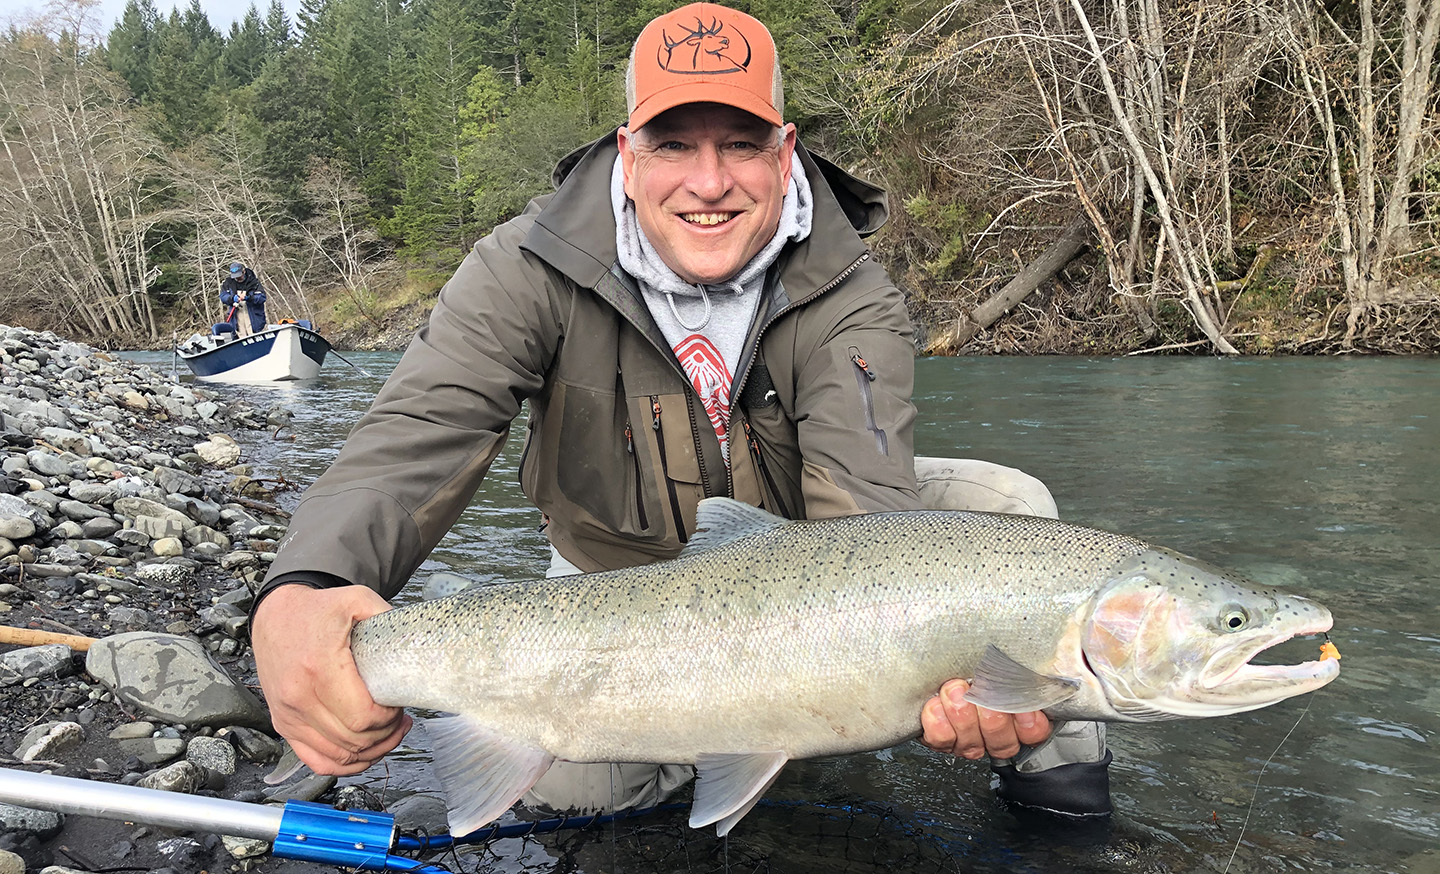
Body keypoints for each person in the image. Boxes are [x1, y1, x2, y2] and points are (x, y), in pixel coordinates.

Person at [249, 2, 1109, 824]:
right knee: (576, 793)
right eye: (673, 144)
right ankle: (733, 733)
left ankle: (1055, 787)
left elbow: (865, 529)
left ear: (785, 151)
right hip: (618, 581)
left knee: (1009, 513)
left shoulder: (850, 292)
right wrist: (306, 588)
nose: (709, 182)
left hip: (805, 569)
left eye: (740, 144)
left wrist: (922, 669)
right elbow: (415, 438)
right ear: (627, 153)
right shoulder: (524, 267)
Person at [220, 261, 267, 337]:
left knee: (255, 336)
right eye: (235, 277)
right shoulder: (228, 283)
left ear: (244, 271)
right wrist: (232, 298)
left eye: (239, 276)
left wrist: (249, 298)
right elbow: (223, 296)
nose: (238, 278)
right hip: (237, 317)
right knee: (241, 337)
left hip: (254, 317)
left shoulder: (254, 282)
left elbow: (262, 297)